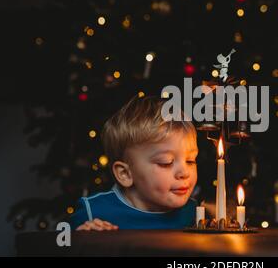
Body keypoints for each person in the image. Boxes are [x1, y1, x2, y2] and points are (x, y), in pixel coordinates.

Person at [70, 95, 198, 230]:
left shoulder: (195, 213)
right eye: (166, 162)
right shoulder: (93, 212)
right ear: (125, 173)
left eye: (190, 161)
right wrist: (81, 239)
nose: (184, 172)